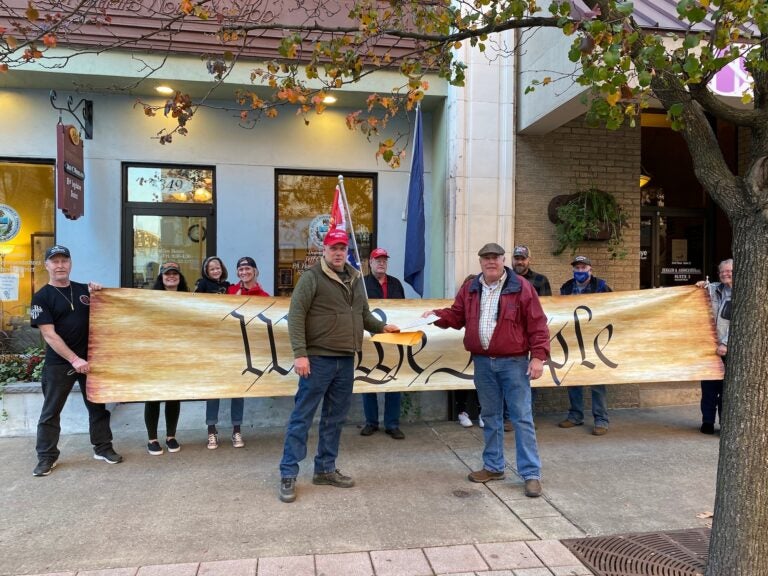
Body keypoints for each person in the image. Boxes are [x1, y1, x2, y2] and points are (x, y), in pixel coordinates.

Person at [278, 229, 399, 503]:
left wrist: (382, 327)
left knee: (335, 419)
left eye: (342, 248)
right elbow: (295, 315)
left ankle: (325, 469)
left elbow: (363, 315)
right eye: (333, 247)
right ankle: (288, 473)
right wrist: (300, 353)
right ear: (324, 249)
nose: (337, 252)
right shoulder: (311, 278)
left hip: (345, 360)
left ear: (348, 251)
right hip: (317, 360)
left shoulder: (356, 279)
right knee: (302, 418)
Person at [427, 243, 550, 498]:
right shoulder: (471, 288)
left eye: (495, 258)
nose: (490, 262)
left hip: (514, 363)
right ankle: (494, 467)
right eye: (486, 258)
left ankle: (531, 474)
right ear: (480, 261)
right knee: (491, 416)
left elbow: (537, 323)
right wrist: (434, 316)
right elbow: (456, 315)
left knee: (521, 418)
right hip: (483, 362)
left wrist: (538, 357)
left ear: (503, 260)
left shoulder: (521, 287)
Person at [30, 244, 123, 476]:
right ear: (47, 265)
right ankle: (46, 457)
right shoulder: (42, 297)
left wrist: (102, 294)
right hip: (61, 363)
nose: (60, 265)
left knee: (98, 407)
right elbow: (49, 334)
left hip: (90, 361)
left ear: (70, 263)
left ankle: (103, 448)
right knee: (51, 412)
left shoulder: (84, 290)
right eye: (55, 261)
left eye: (64, 260)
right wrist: (74, 359)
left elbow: (107, 316)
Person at [201, 256, 270, 448]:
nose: (244, 272)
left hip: (243, 351)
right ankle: (211, 430)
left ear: (255, 271)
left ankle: (236, 430)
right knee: (214, 390)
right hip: (221, 348)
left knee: (239, 391)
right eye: (241, 269)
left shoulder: (264, 297)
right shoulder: (229, 290)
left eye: (248, 269)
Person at [558, 255, 612, 435]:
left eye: (583, 268)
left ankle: (601, 420)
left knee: (597, 381)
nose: (580, 271)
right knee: (573, 379)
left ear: (590, 269)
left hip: (595, 340)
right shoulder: (566, 287)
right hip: (573, 340)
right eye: (577, 268)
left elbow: (613, 308)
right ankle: (575, 416)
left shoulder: (601, 286)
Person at [361, 247, 406, 440]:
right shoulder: (361, 284)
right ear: (370, 263)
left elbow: (403, 308)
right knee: (368, 380)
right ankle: (371, 422)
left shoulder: (396, 284)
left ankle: (392, 424)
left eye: (384, 260)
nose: (381, 263)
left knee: (393, 380)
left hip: (392, 339)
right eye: (377, 260)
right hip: (369, 338)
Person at [144, 262, 188, 455]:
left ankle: (171, 436)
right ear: (161, 278)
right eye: (167, 274)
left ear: (180, 277)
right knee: (152, 396)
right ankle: (152, 439)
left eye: (175, 274)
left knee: (173, 397)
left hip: (177, 354)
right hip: (155, 354)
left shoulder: (189, 300)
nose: (171, 277)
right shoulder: (149, 300)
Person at [511, 245, 552, 431]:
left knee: (531, 378)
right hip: (512, 338)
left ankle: (527, 417)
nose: (519, 262)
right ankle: (510, 417)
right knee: (511, 379)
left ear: (529, 260)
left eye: (523, 258)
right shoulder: (505, 279)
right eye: (517, 258)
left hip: (532, 336)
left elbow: (547, 309)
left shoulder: (541, 281)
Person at [696, 259, 732, 434]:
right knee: (709, 389)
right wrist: (700, 286)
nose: (725, 274)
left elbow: (739, 323)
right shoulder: (715, 289)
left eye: (729, 271)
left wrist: (726, 343)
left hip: (730, 351)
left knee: (726, 391)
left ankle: (724, 424)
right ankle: (707, 422)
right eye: (722, 272)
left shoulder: (744, 294)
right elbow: (702, 291)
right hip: (710, 349)